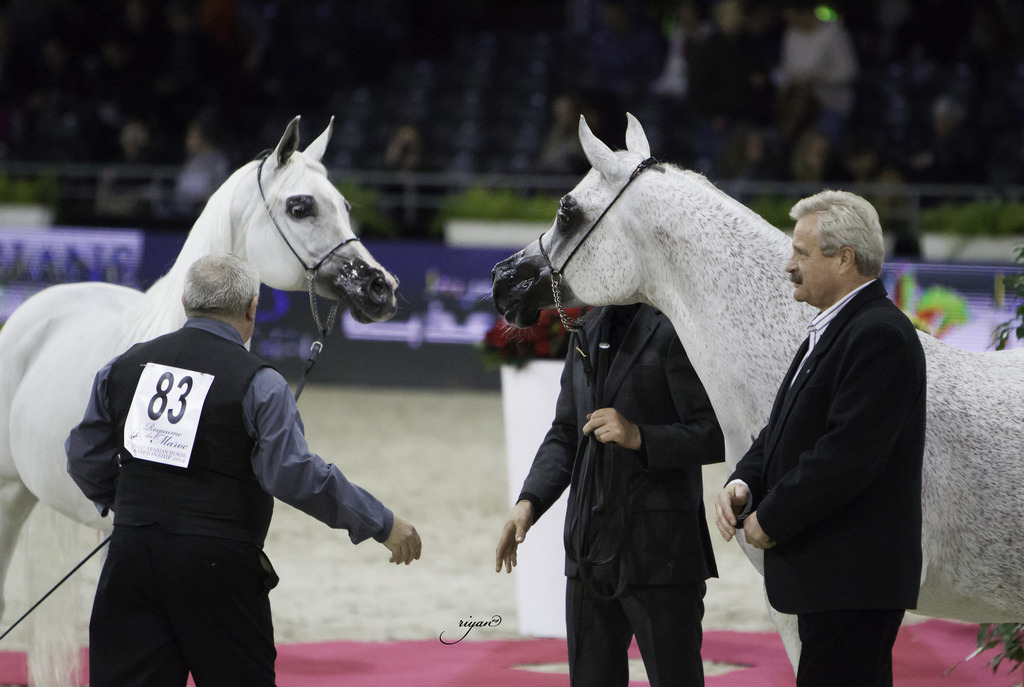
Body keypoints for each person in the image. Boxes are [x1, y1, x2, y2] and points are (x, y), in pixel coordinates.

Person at [66, 253, 421, 687]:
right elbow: (293, 475)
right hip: (219, 570)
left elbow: (83, 456)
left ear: (184, 301)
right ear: (252, 308)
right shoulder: (261, 383)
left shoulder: (123, 367)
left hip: (131, 558)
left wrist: (128, 503)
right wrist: (379, 521)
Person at [715, 190, 926, 687]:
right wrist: (745, 479)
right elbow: (784, 425)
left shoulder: (879, 334)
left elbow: (846, 455)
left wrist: (772, 517)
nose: (790, 265)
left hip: (852, 579)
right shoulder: (837, 327)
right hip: (835, 579)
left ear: (844, 259)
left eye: (802, 253)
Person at [496, 303, 725, 686]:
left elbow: (713, 435)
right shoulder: (585, 326)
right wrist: (528, 503)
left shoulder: (679, 327)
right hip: (588, 550)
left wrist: (639, 436)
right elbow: (566, 432)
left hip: (661, 556)